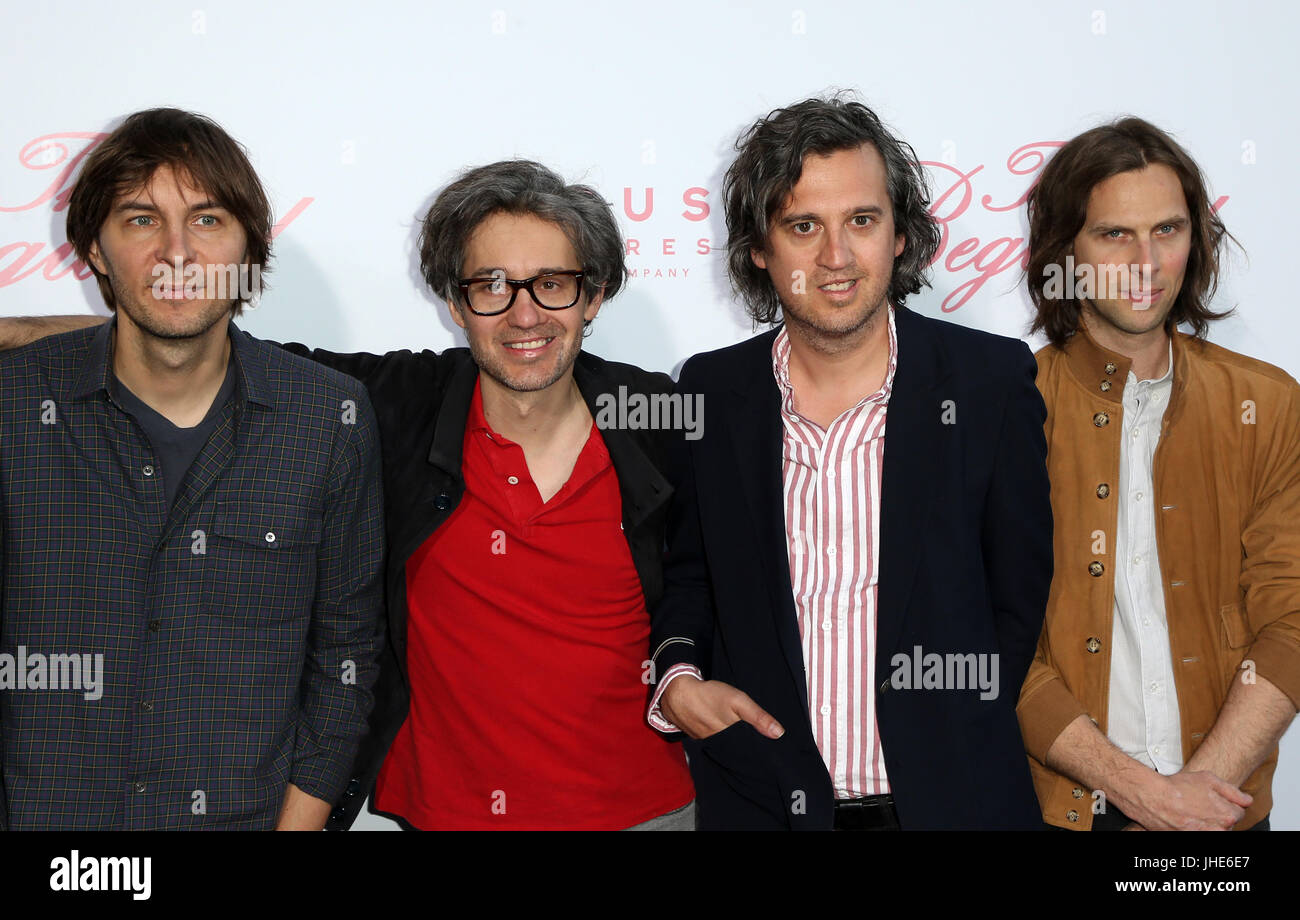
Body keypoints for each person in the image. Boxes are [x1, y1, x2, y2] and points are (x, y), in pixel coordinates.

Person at [646, 94, 1053, 830]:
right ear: (760, 248)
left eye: (862, 220)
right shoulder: (712, 392)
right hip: (763, 806)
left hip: (957, 807)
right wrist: (677, 679)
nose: (835, 257)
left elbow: (1017, 598)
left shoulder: (988, 383)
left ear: (900, 235)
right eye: (803, 226)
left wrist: (953, 727)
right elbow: (691, 574)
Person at [0, 108, 385, 830]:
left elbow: (347, 657)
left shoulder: (327, 418)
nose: (176, 253)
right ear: (95, 249)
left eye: (207, 220)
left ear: (248, 249)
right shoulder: (16, 405)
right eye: (141, 220)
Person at [1017, 117, 1300, 831]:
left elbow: (1291, 617)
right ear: (1066, 249)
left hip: (1223, 811)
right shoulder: (1009, 411)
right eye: (1115, 234)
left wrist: (1193, 796)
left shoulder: (1267, 404)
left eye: (1167, 230)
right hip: (1062, 811)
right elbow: (996, 641)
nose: (1146, 262)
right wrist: (1140, 793)